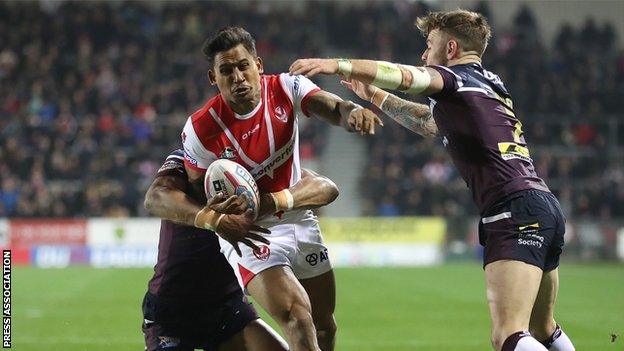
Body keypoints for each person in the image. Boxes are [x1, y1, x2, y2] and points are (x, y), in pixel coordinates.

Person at [290, 9, 575, 351]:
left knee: (509, 335)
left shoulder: (452, 78)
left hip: (513, 210)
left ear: (451, 48)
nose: (425, 55)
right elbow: (429, 122)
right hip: (543, 205)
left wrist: (336, 65)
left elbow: (406, 76)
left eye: (429, 45)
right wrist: (375, 97)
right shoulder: (489, 84)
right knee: (543, 329)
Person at [180, 25, 382, 351]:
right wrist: (221, 212)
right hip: (252, 231)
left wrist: (352, 112)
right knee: (297, 316)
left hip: (299, 217)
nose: (237, 77)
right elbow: (196, 186)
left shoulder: (287, 88)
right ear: (212, 78)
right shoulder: (202, 128)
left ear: (258, 65)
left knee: (324, 325)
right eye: (226, 71)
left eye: (243, 66)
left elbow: (331, 107)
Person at [142, 148, 339, 351]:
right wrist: (213, 220)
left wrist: (273, 201)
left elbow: (326, 188)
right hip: (173, 310)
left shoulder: (262, 164)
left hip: (228, 309)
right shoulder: (190, 159)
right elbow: (154, 198)